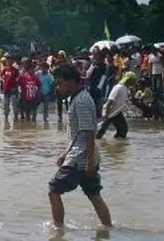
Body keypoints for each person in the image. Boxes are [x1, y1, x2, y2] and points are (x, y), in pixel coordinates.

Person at [48, 64, 112, 230]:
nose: (58, 87)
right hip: (83, 155)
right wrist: (65, 153)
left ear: (71, 81)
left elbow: (89, 133)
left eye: (60, 83)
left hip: (81, 158)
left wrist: (89, 163)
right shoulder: (78, 97)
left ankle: (58, 230)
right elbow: (78, 133)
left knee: (53, 190)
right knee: (94, 195)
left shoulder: (81, 101)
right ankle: (108, 228)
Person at [96, 72, 132, 139]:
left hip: (117, 112)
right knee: (100, 132)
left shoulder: (126, 88)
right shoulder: (118, 87)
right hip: (109, 111)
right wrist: (106, 114)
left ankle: (117, 143)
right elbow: (110, 101)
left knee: (123, 130)